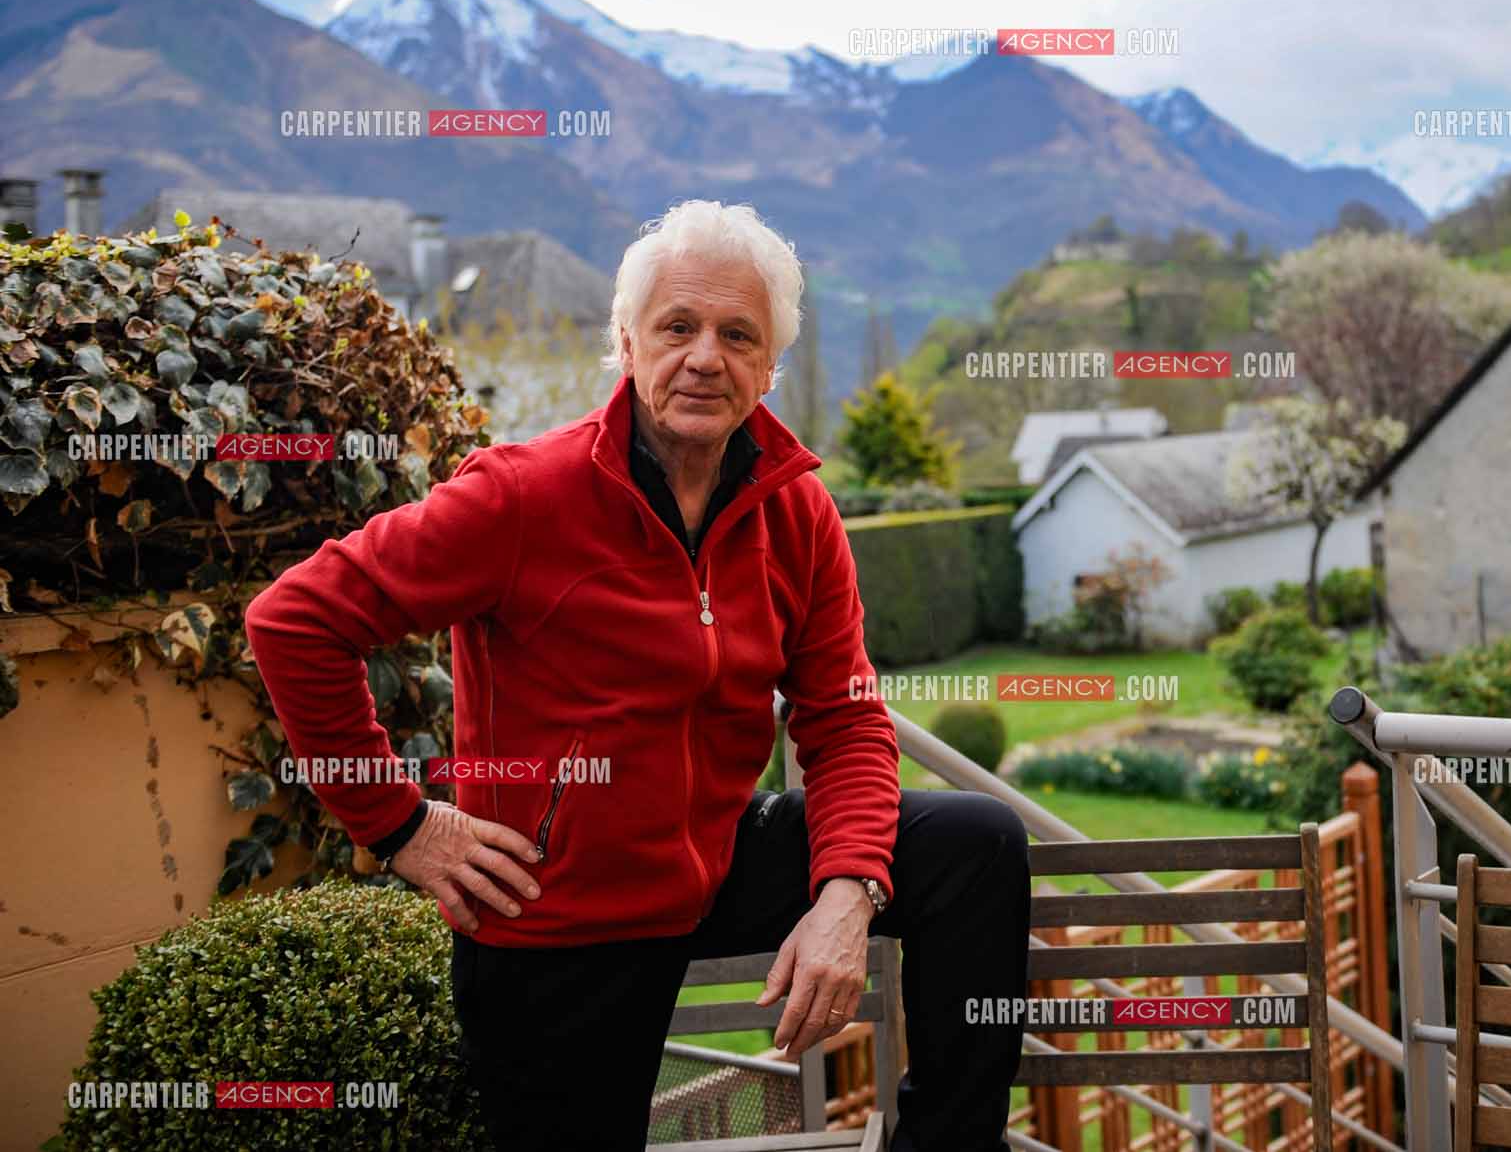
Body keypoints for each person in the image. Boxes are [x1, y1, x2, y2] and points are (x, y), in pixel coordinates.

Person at [246, 199, 1029, 1150]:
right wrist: (401, 825)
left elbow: (846, 716)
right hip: (559, 911)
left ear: (768, 365)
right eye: (678, 327)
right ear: (628, 341)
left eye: (738, 334)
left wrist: (846, 889)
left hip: (717, 859)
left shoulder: (796, 511)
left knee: (977, 842)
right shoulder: (521, 496)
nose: (705, 356)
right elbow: (295, 619)